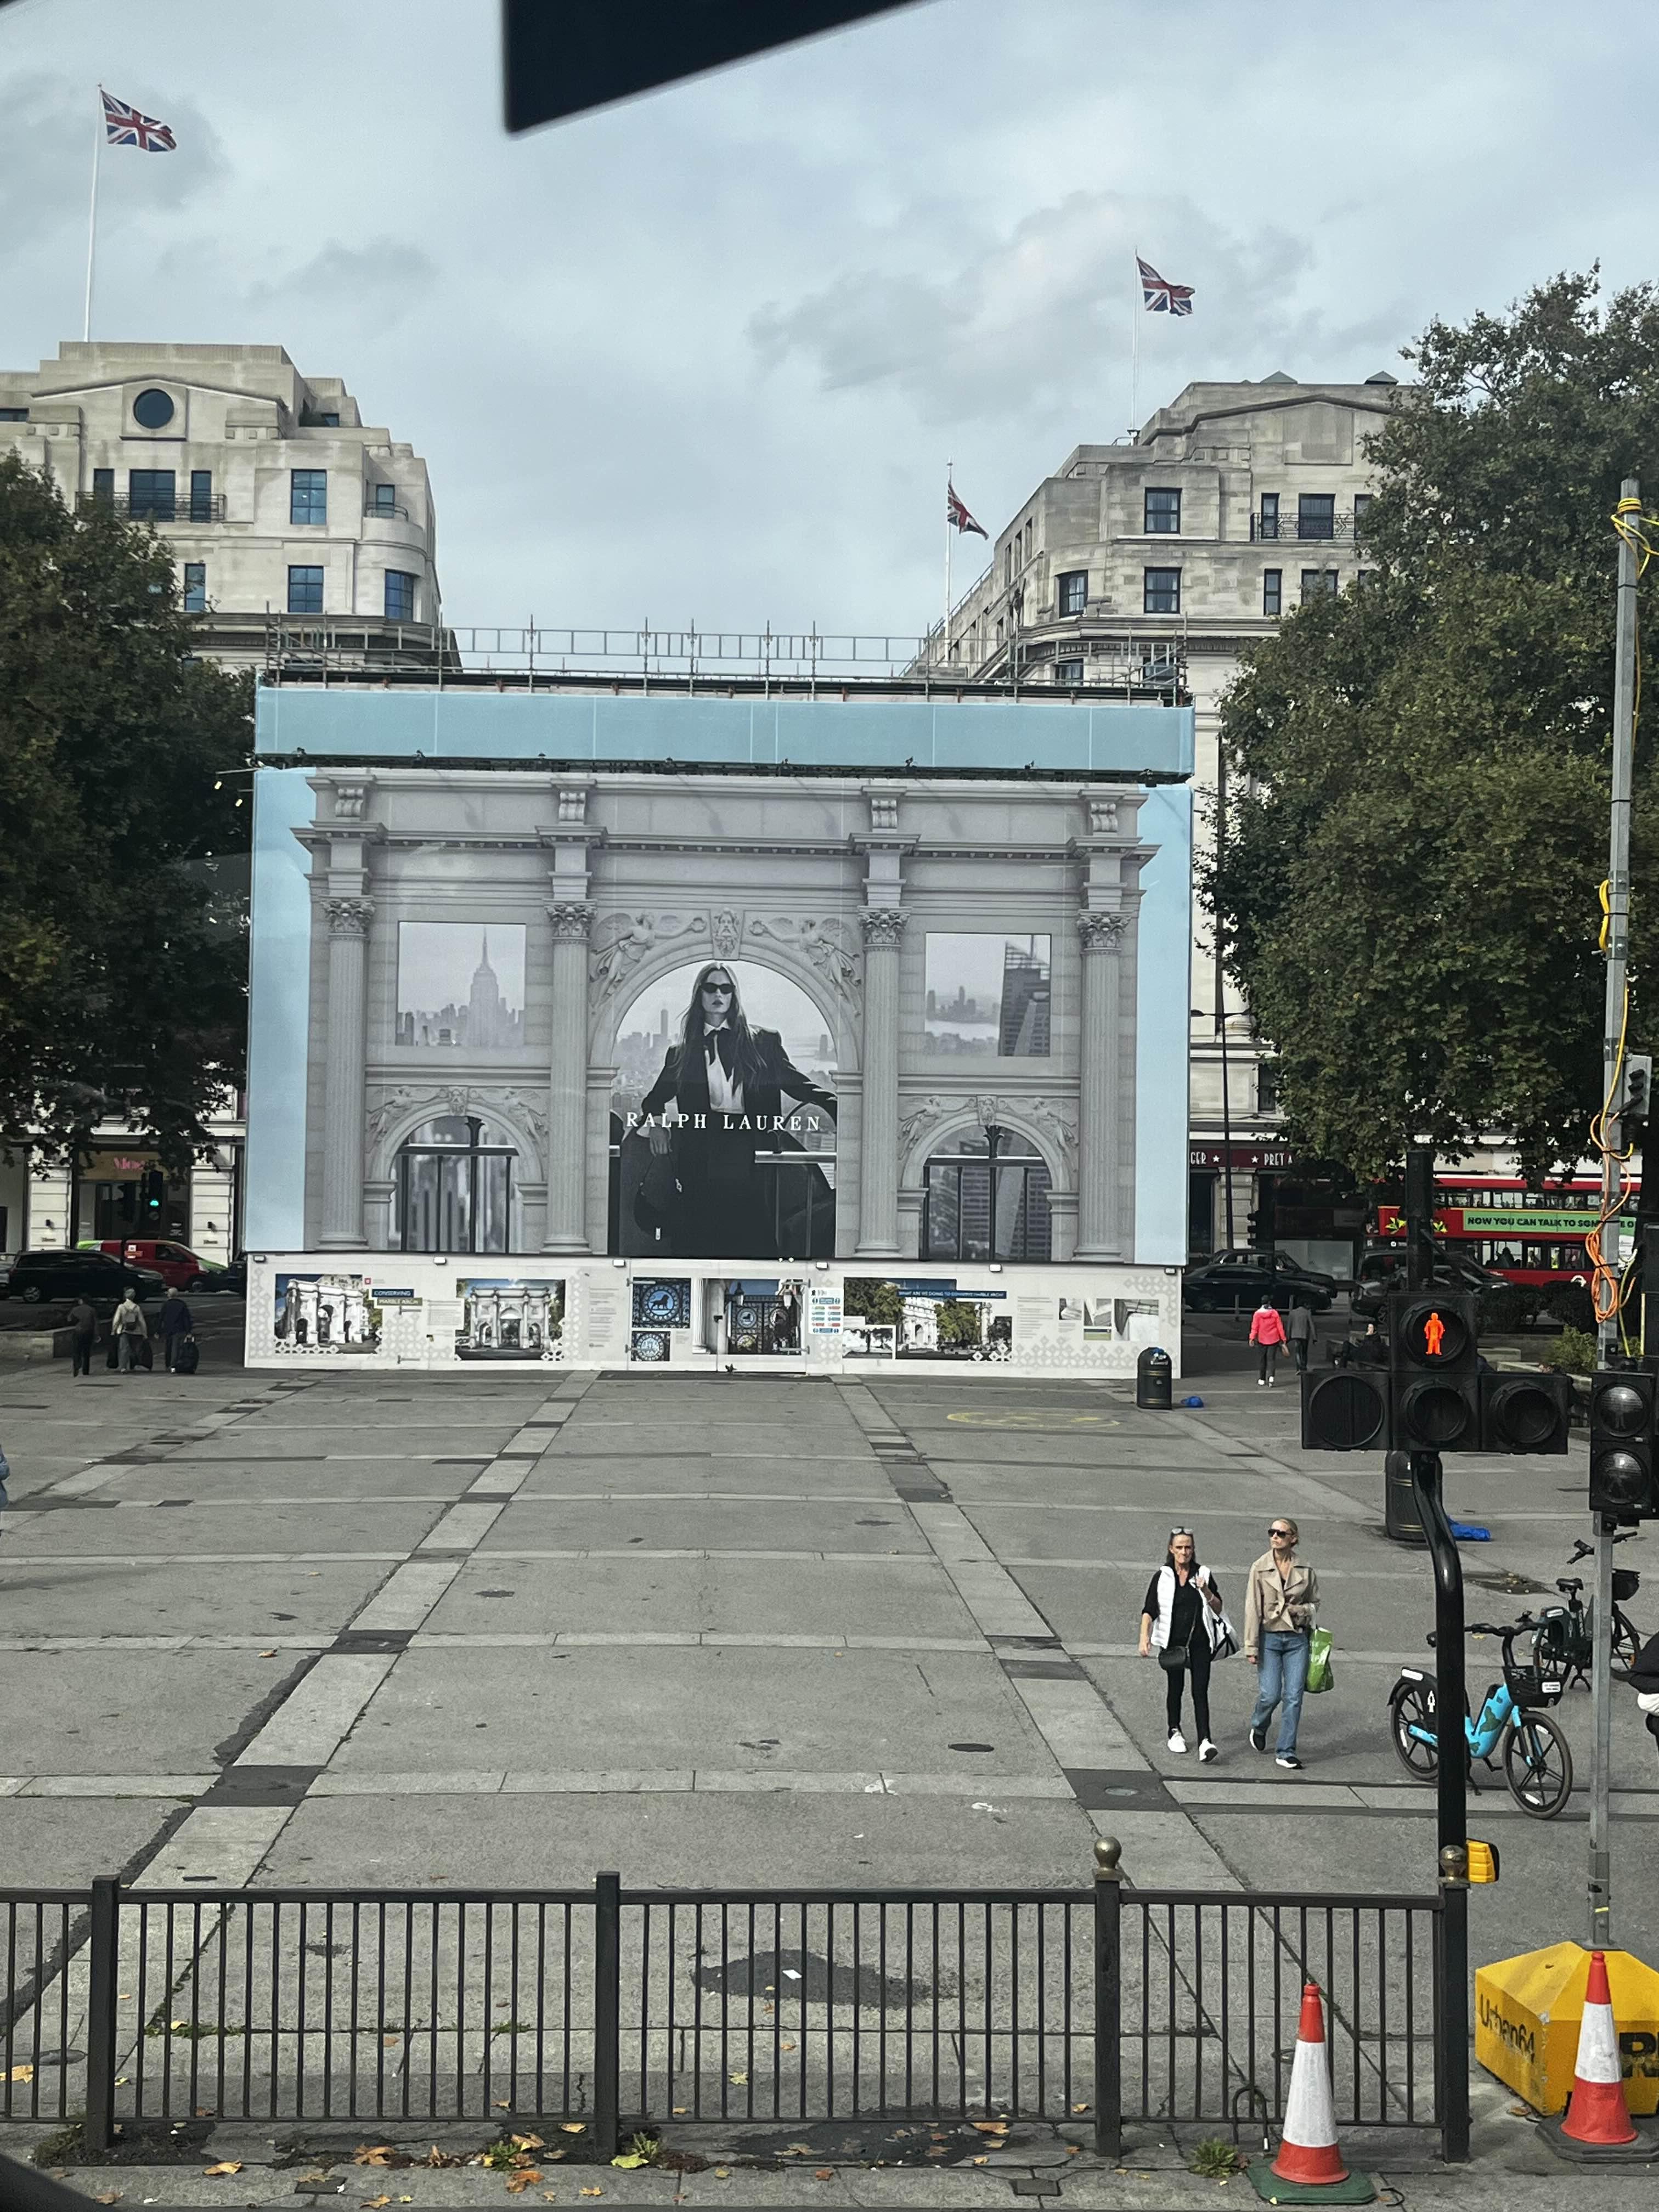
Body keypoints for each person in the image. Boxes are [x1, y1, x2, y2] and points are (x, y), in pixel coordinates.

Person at [638, 965, 837, 1258]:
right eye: (711, 988)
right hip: (702, 1151)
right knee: (701, 1235)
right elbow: (655, 1099)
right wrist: (657, 1124)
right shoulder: (681, 1053)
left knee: (750, 1234)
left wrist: (835, 1105)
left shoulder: (764, 1042)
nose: (718, 994)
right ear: (699, 995)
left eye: (726, 988)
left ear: (734, 995)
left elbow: (795, 1082)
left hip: (749, 1147)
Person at [1139, 1527, 1227, 1760]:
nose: (1184, 1552)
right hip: (1173, 1643)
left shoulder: (1203, 1574)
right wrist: (1144, 1638)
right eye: (1179, 1547)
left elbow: (1218, 1607)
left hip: (1200, 1643)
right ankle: (1174, 1730)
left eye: (1188, 1547)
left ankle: (1205, 1741)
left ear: (1193, 1549)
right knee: (1175, 1688)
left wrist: (1206, 1590)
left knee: (1200, 1691)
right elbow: (1149, 1610)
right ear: (1171, 1549)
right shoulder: (1163, 1577)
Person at [1245, 1515, 1320, 1769]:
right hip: (1270, 1637)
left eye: (1281, 1533)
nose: (1275, 1537)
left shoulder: (1305, 1569)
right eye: (1272, 1533)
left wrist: (1302, 1611)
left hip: (1297, 1639)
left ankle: (1286, 1751)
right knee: (1270, 1694)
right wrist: (1251, 1646)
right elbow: (1252, 1608)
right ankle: (1259, 1724)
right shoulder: (1260, 1567)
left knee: (1294, 1696)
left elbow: (1315, 1603)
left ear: (1293, 1539)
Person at [1248, 1295, 1288, 1386]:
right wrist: (1283, 1338)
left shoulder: (1257, 1314)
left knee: (1262, 1360)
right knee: (1271, 1360)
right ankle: (1271, 1377)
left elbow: (1255, 1327)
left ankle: (1262, 1379)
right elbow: (1280, 1327)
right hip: (1274, 1339)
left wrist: (1252, 1338)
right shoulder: (1275, 1313)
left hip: (1262, 1339)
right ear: (1269, 1302)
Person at [112, 1288, 148, 1374]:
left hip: (124, 1330)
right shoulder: (137, 1308)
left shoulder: (121, 1307)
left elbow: (117, 1320)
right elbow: (141, 1321)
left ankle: (123, 1367)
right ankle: (134, 1365)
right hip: (136, 1331)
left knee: (124, 1349)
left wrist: (114, 1330)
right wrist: (145, 1333)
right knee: (135, 1349)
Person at [159, 1287, 194, 1371]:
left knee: (168, 1347)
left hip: (168, 1329)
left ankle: (168, 1365)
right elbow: (186, 1319)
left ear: (169, 1295)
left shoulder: (166, 1305)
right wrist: (189, 1331)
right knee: (177, 1348)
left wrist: (158, 1331)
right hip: (179, 1329)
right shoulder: (182, 1304)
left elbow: (161, 1318)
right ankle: (174, 1365)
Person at [66, 1295, 98, 1378]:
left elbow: (69, 1319)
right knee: (86, 1351)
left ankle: (76, 1366)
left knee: (76, 1350)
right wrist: (96, 1334)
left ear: (81, 1301)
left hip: (78, 1331)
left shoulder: (75, 1309)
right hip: (89, 1332)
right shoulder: (92, 1310)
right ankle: (86, 1370)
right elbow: (95, 1323)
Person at [1285, 1299, 1316, 1373]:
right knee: (1304, 1352)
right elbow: (1312, 1326)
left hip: (1295, 1335)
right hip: (1305, 1336)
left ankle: (1299, 1367)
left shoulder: (1293, 1313)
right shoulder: (1307, 1313)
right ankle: (1304, 1366)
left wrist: (1288, 1337)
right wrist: (1314, 1337)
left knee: (1298, 1352)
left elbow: (1289, 1326)